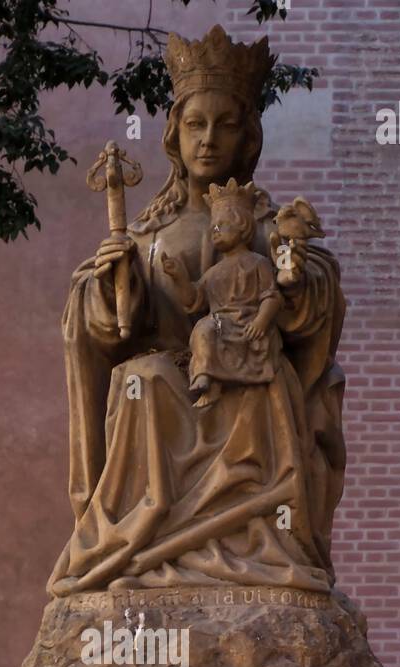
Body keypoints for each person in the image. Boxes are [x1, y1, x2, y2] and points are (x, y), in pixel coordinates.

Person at [49, 24, 347, 597]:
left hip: (252, 372)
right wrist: (108, 285)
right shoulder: (145, 230)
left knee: (266, 386)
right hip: (173, 372)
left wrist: (297, 276)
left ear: (248, 137)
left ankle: (260, 539)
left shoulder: (266, 223)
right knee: (142, 379)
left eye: (225, 124)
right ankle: (142, 537)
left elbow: (313, 302)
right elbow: (112, 328)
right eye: (195, 124)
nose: (208, 139)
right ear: (174, 135)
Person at [161, 178, 284, 409]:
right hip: (220, 324)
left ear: (243, 226)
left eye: (222, 225)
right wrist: (179, 277)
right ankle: (207, 381)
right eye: (213, 228)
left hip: (248, 323)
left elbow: (272, 296)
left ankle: (214, 378)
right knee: (204, 329)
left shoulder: (259, 263)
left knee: (209, 328)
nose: (215, 231)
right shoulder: (213, 272)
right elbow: (194, 300)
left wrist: (261, 320)